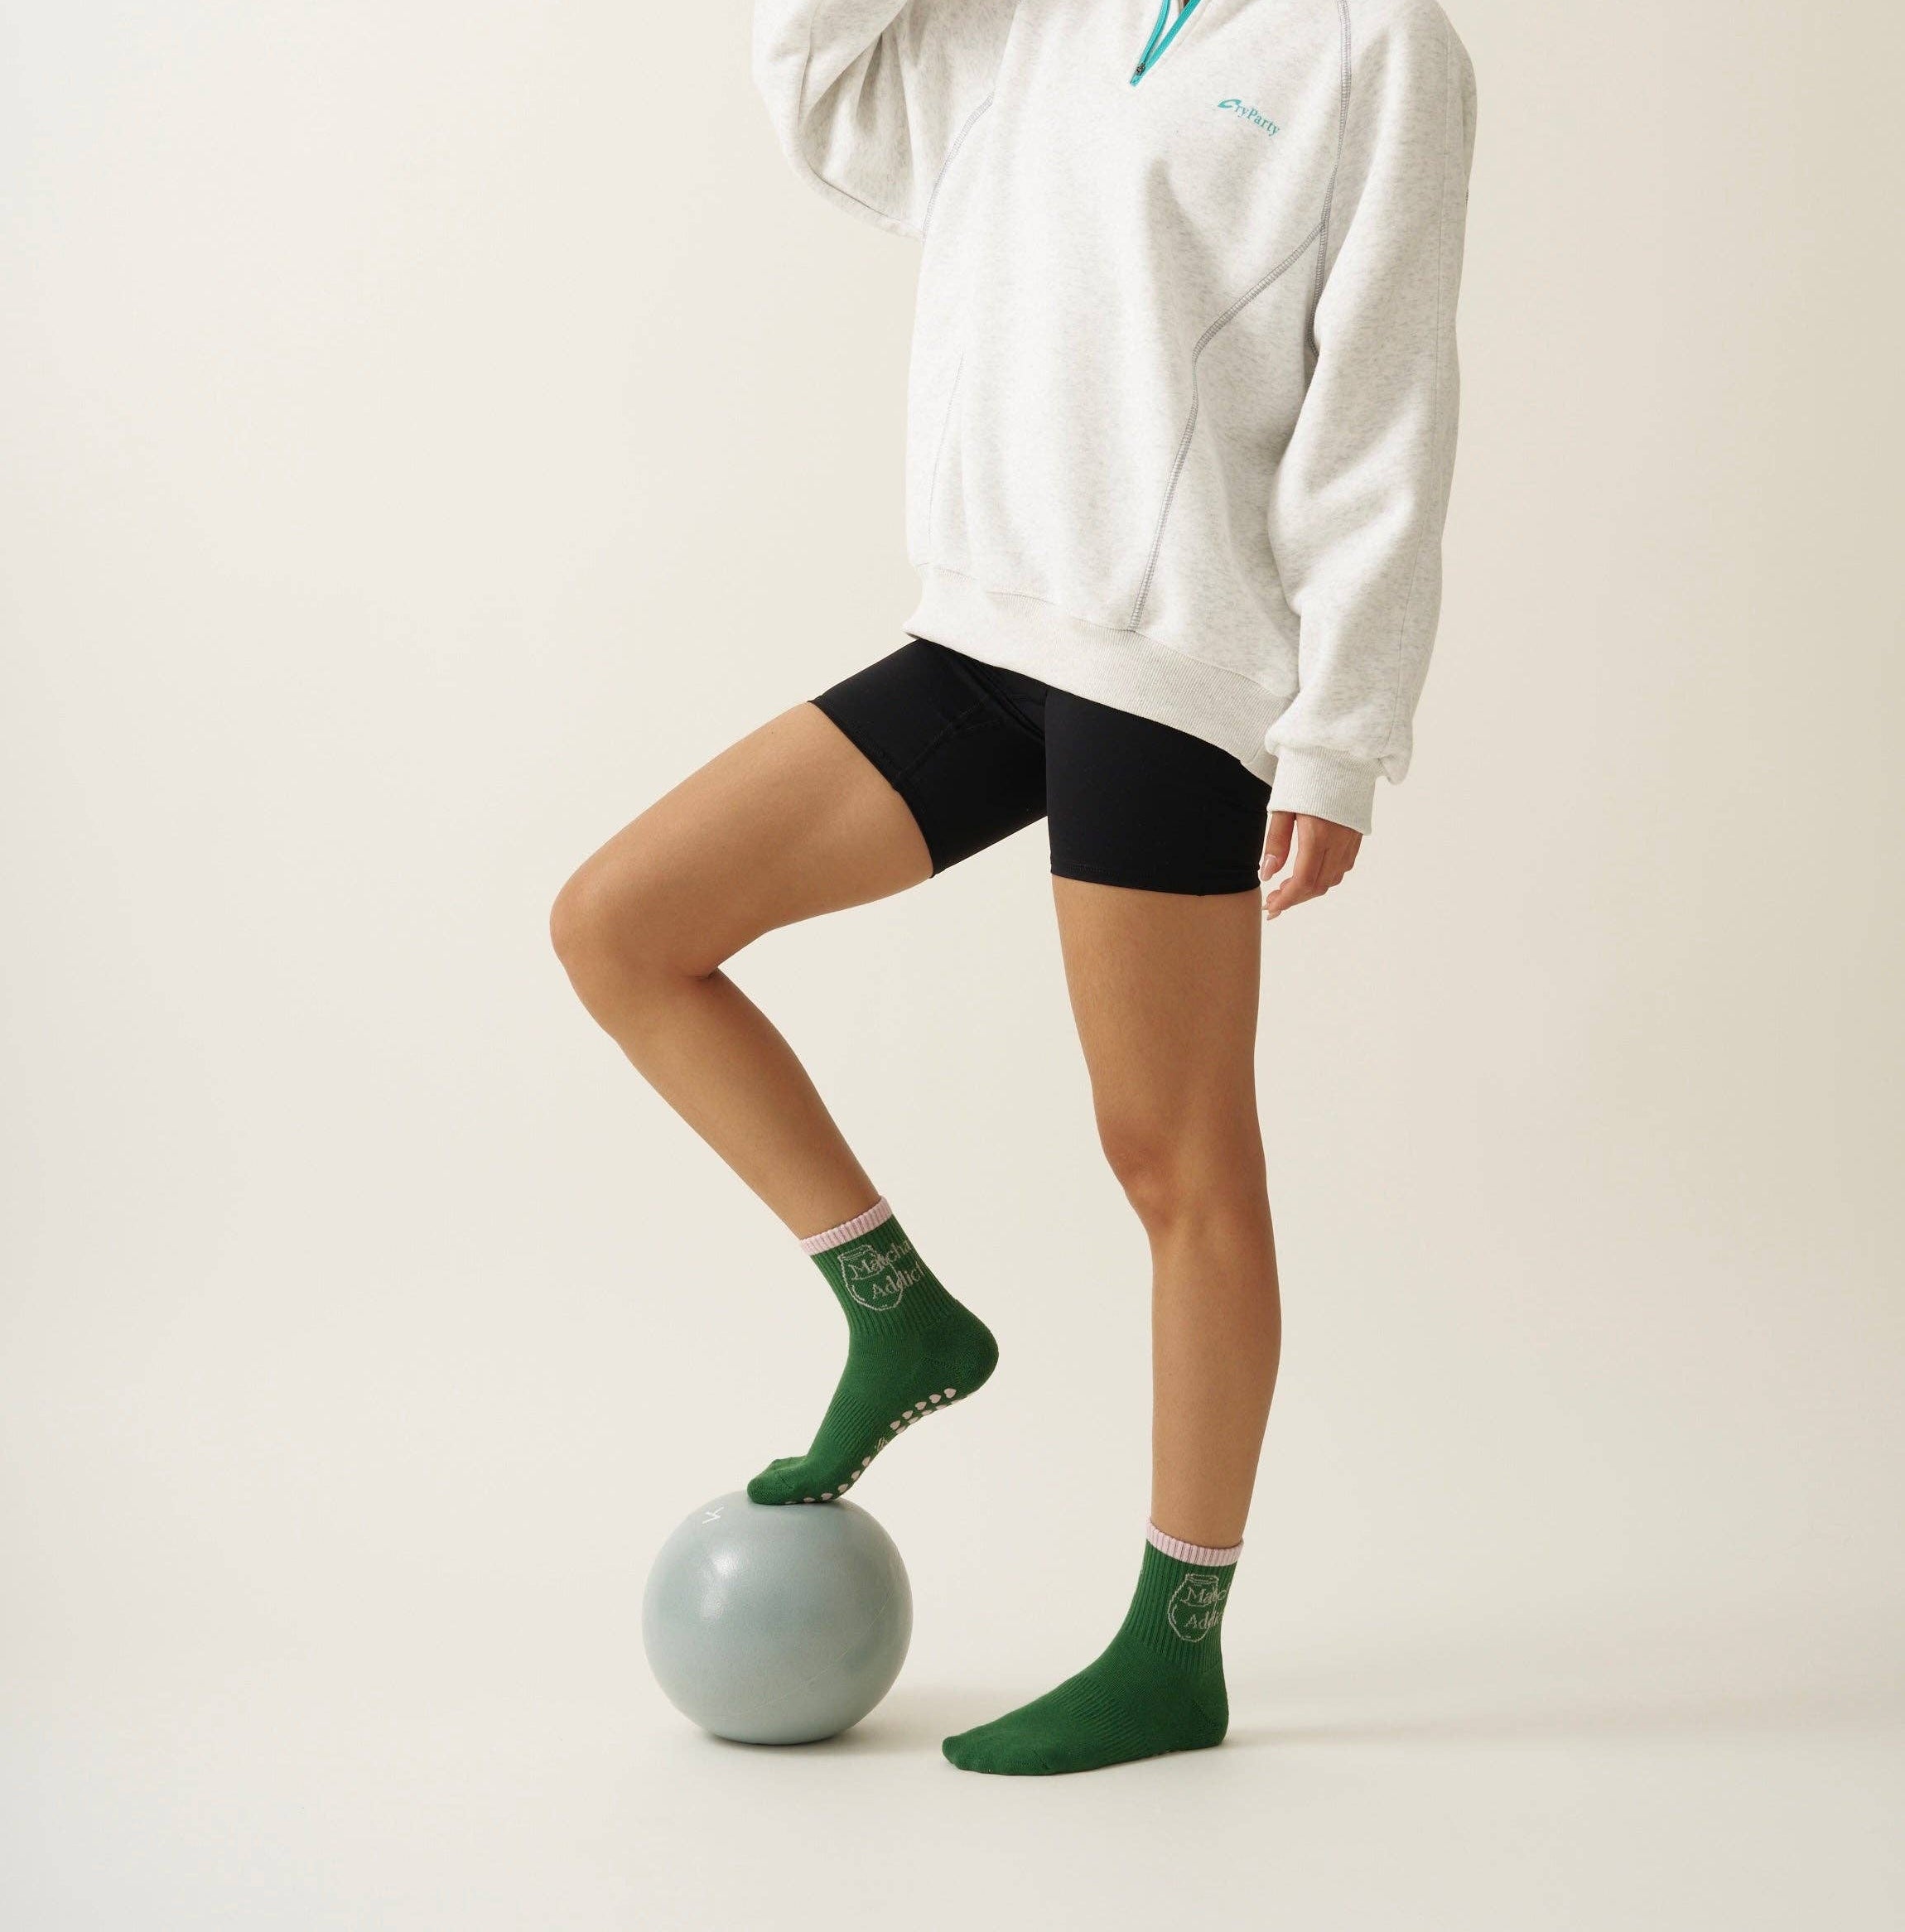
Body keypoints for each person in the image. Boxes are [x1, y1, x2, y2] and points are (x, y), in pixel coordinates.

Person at [552, 0, 1476, 1775]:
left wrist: (1342, 737)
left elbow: (1386, 402)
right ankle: (895, 1310)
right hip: (981, 631)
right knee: (623, 927)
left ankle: (1174, 1646)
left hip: (1174, 660)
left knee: (1174, 1158)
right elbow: (817, 84)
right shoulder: (1033, 18)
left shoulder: (1380, 50)